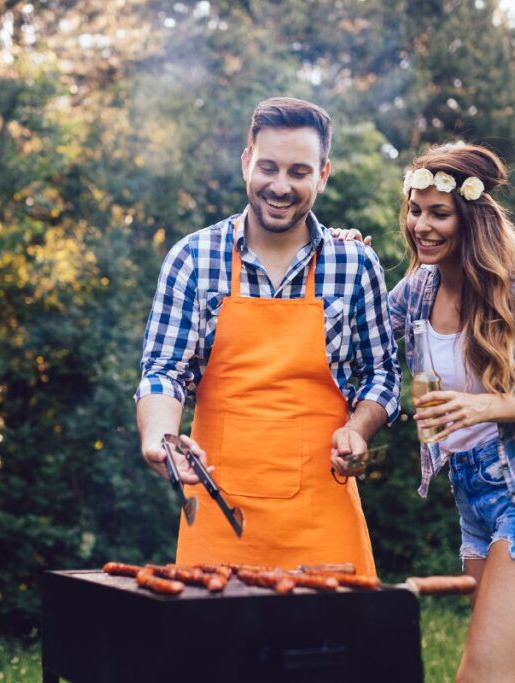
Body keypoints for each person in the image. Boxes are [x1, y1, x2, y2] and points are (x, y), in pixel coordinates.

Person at [338, 143, 515, 682]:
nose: (421, 226)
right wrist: (349, 264)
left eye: (439, 213)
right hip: (475, 503)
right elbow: (360, 341)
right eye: (415, 211)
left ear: (471, 218)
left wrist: (486, 406)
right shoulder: (419, 289)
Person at [134, 97, 400, 575]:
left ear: (322, 175)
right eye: (268, 167)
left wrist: (358, 430)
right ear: (246, 162)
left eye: (299, 172)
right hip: (218, 517)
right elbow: (165, 372)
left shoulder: (355, 265)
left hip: (324, 520)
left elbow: (381, 373)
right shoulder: (193, 258)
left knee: (334, 629)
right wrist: (159, 436)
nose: (280, 186)